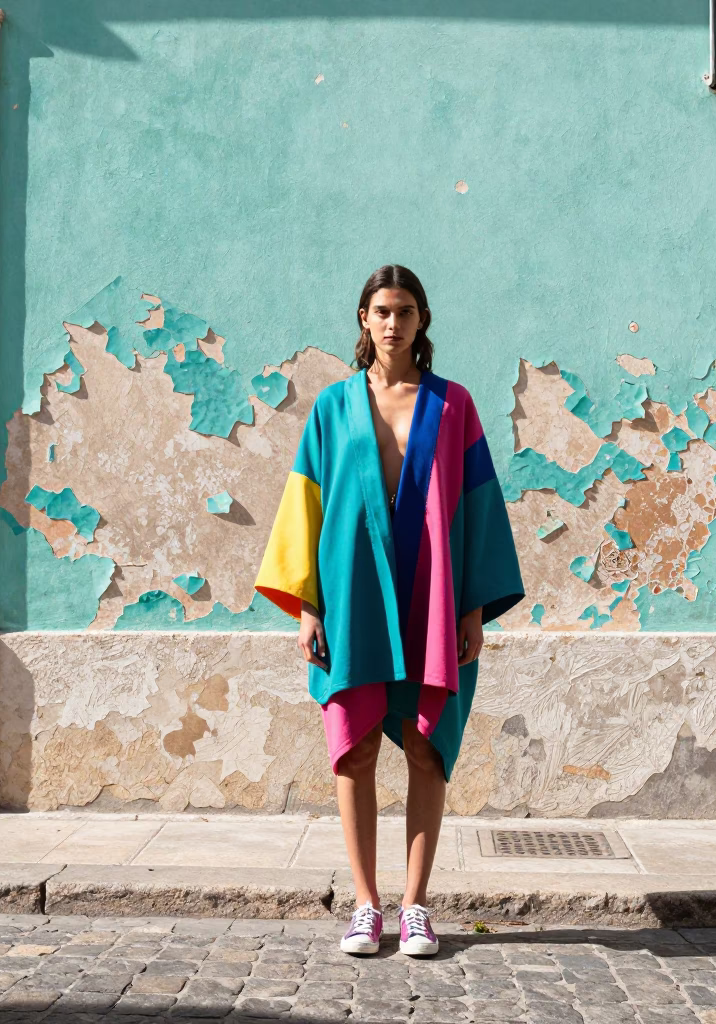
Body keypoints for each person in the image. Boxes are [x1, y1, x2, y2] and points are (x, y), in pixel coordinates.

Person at [254, 264, 524, 956]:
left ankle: (415, 907)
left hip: (430, 597)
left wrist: (471, 609)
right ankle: (365, 905)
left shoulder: (453, 405)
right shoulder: (331, 407)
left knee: (429, 749)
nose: (393, 323)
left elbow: (479, 510)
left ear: (422, 319)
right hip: (352, 597)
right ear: (363, 320)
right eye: (381, 310)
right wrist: (307, 607)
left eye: (405, 310)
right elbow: (304, 508)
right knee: (355, 749)